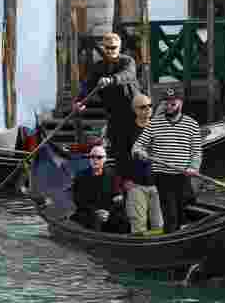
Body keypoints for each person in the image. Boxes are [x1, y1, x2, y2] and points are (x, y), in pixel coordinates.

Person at [132, 88, 202, 233]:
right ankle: (172, 238)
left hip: (183, 176)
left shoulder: (192, 125)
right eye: (167, 104)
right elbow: (138, 145)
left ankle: (181, 234)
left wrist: (193, 167)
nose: (169, 107)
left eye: (173, 104)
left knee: (184, 212)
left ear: (180, 103)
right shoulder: (154, 124)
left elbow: (197, 152)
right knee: (170, 214)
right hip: (162, 176)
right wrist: (140, 152)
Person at [74, 32, 139, 171]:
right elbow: (87, 86)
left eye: (113, 48)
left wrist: (111, 79)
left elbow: (127, 75)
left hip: (133, 113)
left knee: (135, 150)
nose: (110, 51)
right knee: (118, 151)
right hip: (114, 114)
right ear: (103, 48)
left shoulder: (127, 61)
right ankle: (122, 183)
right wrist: (80, 101)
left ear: (119, 48)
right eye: (107, 48)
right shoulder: (98, 67)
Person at [122, 93, 163, 234]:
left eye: (150, 106)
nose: (148, 109)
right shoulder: (128, 130)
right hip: (136, 185)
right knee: (139, 226)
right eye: (143, 107)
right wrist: (126, 179)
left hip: (157, 184)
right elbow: (121, 158)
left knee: (159, 226)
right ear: (135, 109)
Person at [70, 145, 128, 233]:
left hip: (109, 212)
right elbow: (78, 200)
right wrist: (96, 212)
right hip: (88, 212)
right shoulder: (80, 176)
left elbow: (118, 197)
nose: (95, 160)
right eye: (92, 157)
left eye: (99, 157)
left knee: (123, 221)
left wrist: (108, 212)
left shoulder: (113, 176)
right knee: (91, 220)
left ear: (105, 159)